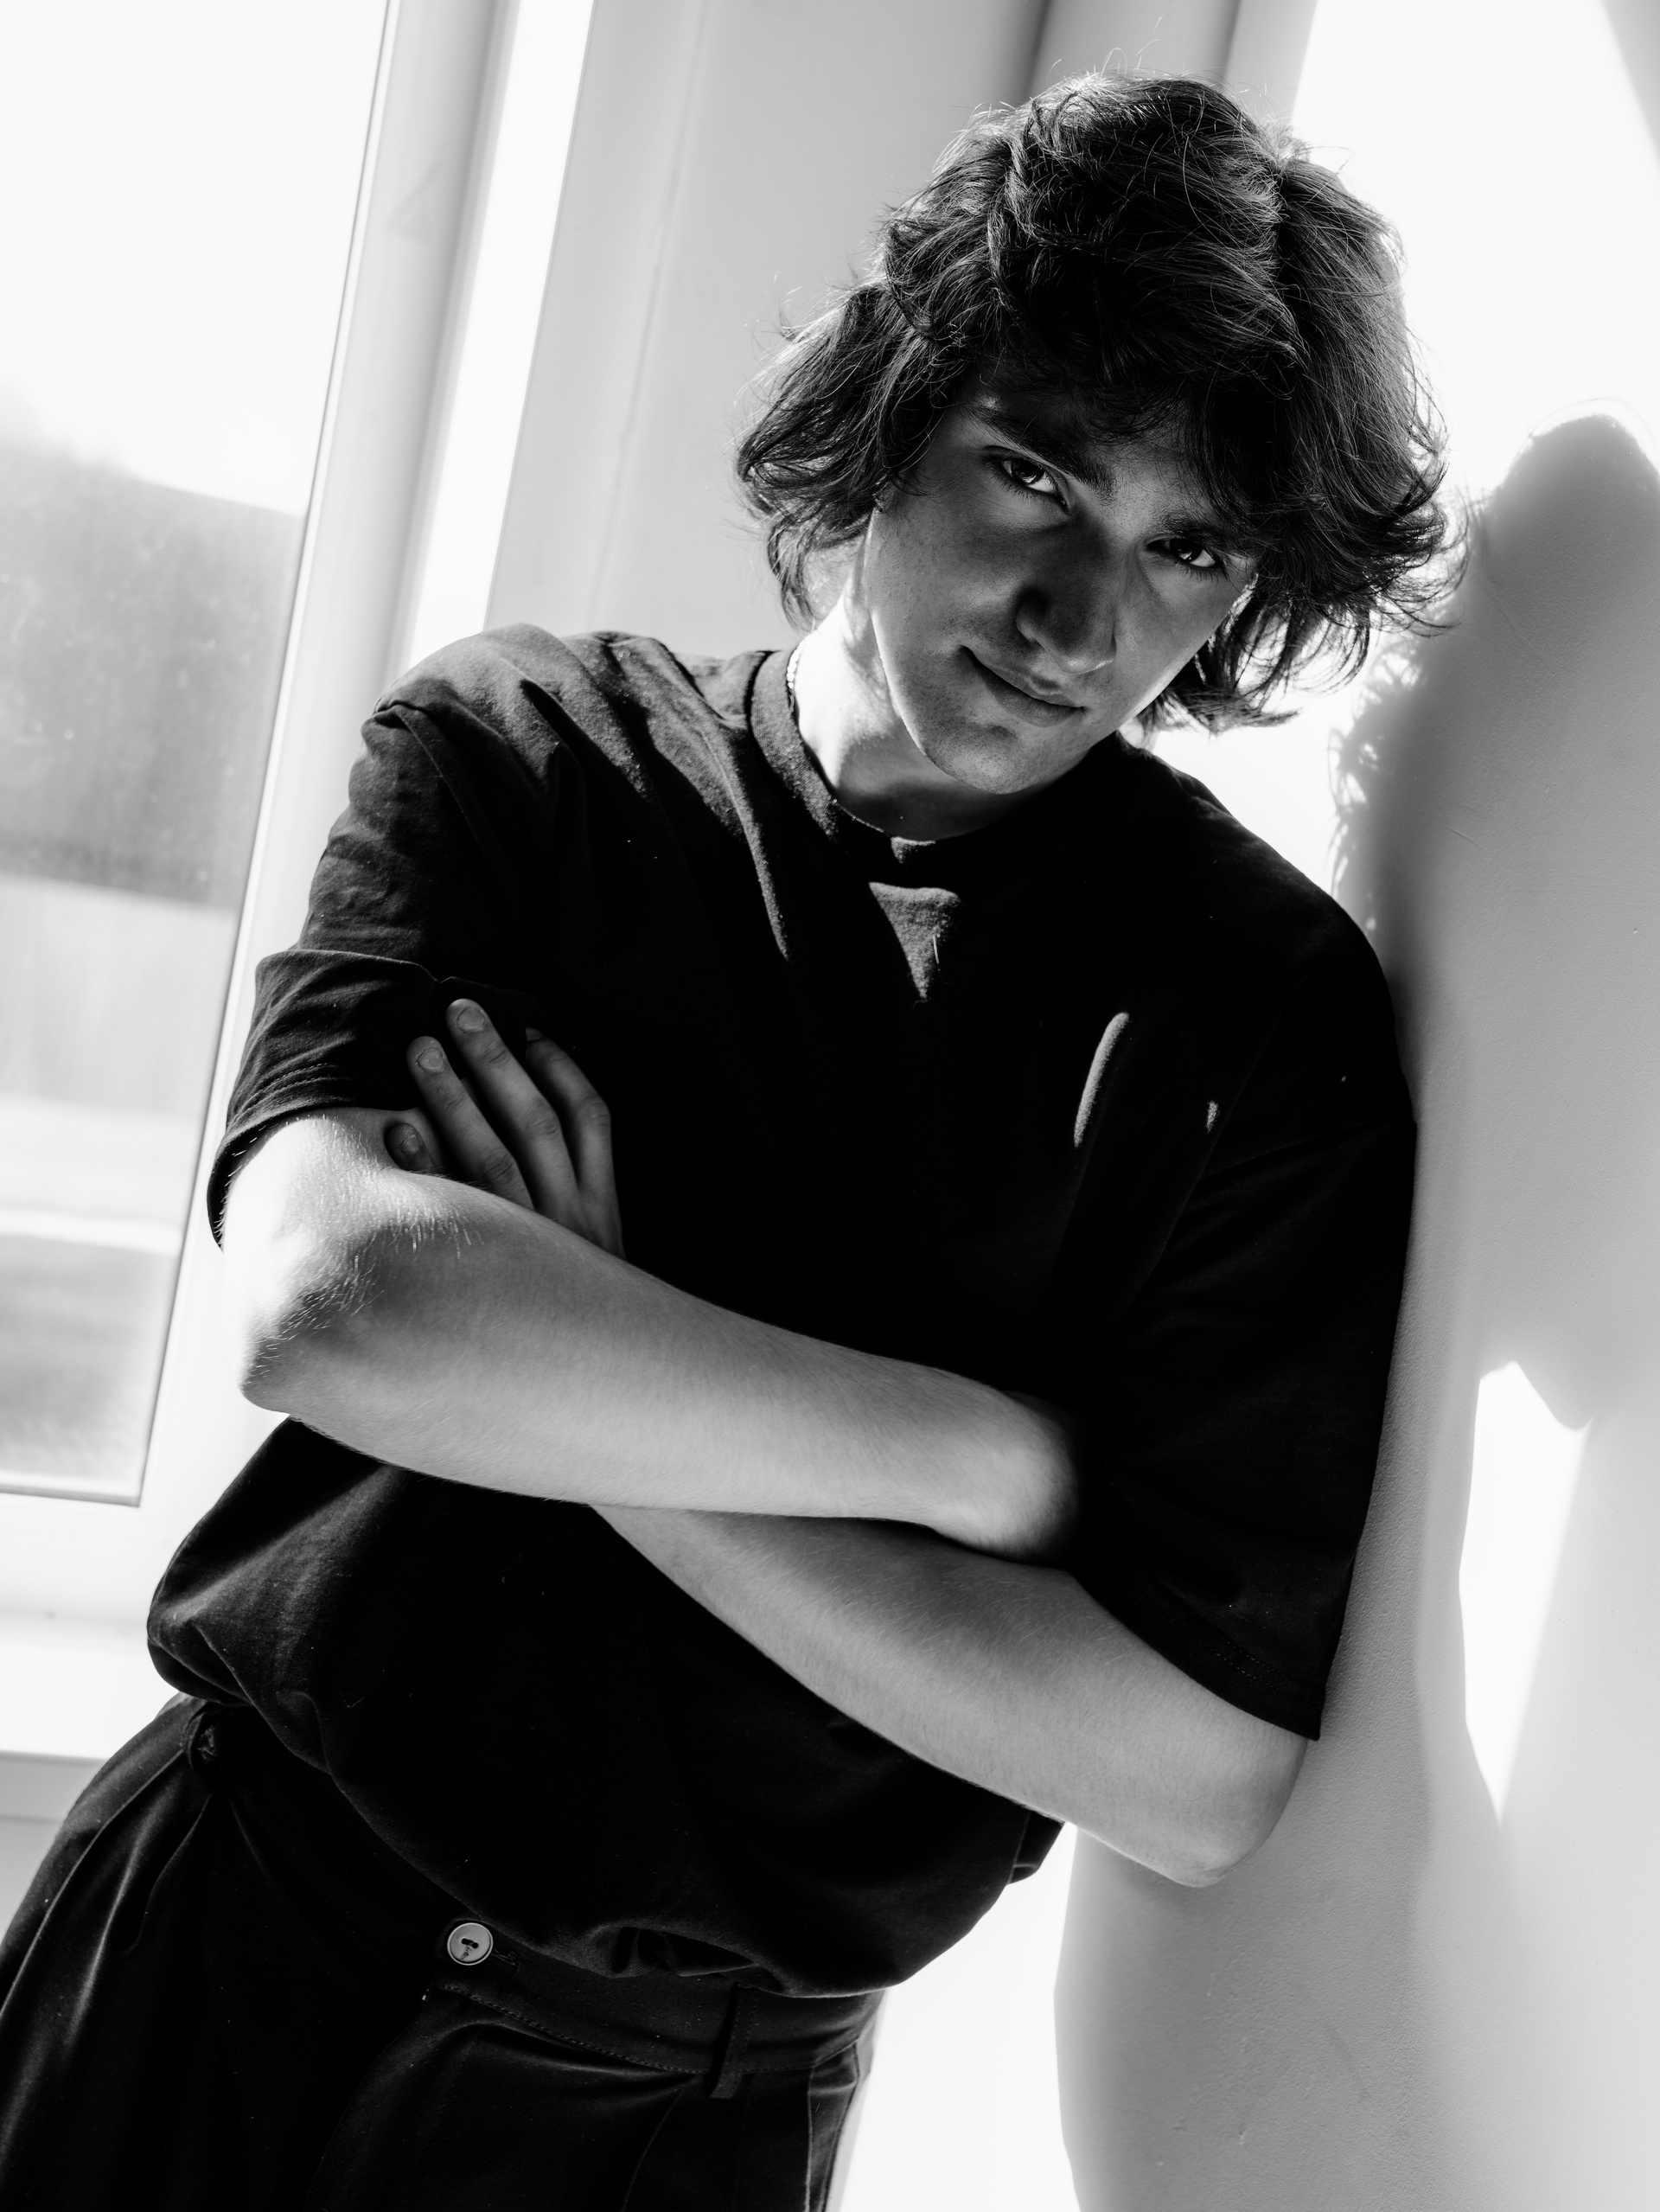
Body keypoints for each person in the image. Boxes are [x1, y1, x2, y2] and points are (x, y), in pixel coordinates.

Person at [0, 73, 1446, 2211]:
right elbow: (334, 1305)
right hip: (205, 1944)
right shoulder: (522, 752)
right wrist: (975, 1458)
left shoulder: (1262, 1023)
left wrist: (580, 1369)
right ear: (894, 405)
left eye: (1188, 548)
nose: (1077, 622)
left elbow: (1190, 1769)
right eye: (1035, 472)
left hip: (668, 2119)